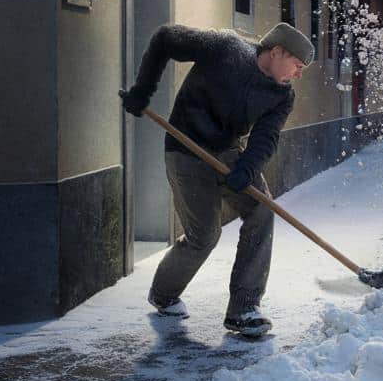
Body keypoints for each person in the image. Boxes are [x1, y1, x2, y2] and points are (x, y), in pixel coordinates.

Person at [120, 23, 314, 338]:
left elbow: (266, 138)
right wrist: (143, 90)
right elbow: (165, 39)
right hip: (185, 148)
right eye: (298, 65)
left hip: (227, 151)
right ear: (276, 51)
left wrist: (247, 169)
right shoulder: (224, 47)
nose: (299, 74)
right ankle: (164, 293)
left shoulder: (282, 96)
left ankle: (244, 308)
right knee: (204, 236)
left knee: (263, 210)